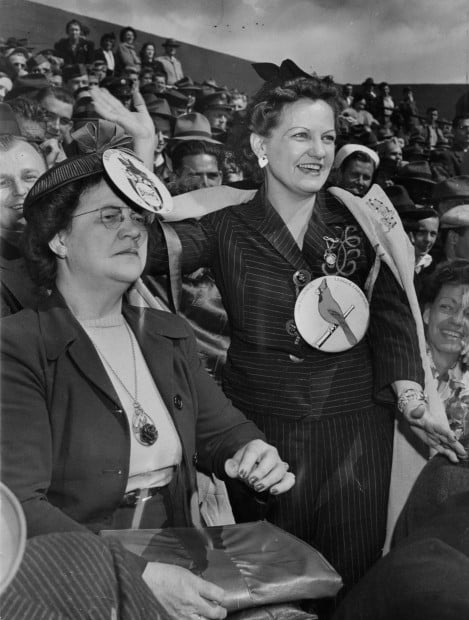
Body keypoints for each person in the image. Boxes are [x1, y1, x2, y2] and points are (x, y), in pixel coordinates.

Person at [147, 64, 465, 595]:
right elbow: (137, 254)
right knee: (268, 584)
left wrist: (410, 395)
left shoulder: (359, 221)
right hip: (259, 434)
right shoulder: (222, 224)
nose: (318, 150)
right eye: (300, 135)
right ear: (260, 144)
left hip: (356, 432)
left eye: (327, 137)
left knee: (348, 577)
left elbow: (390, 320)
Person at [0, 130, 294, 620]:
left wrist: (251, 452)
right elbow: (18, 505)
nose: (133, 230)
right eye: (110, 216)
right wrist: (133, 575)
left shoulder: (166, 331)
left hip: (181, 546)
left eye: (138, 217)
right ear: (58, 237)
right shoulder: (18, 345)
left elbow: (222, 431)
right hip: (76, 571)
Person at [333, 260, 469, 620]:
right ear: (424, 313)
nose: (457, 321)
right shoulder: (395, 370)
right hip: (372, 506)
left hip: (432, 535)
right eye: (447, 307)